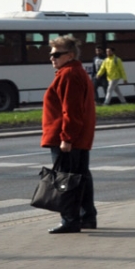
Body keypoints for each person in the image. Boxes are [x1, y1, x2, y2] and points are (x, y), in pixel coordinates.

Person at [41, 34, 97, 233]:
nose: (52, 58)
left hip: (67, 137)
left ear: (70, 55)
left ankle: (70, 220)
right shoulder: (76, 72)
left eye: (57, 54)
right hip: (79, 137)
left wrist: (66, 138)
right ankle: (87, 217)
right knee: (81, 177)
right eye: (51, 54)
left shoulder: (68, 75)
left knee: (66, 179)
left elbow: (71, 110)